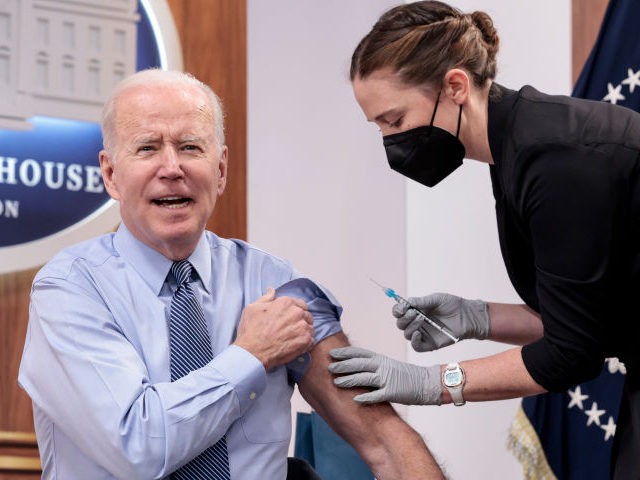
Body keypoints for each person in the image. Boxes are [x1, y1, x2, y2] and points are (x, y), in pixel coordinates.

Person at [17, 68, 445, 479]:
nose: (172, 168)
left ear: (220, 170)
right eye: (147, 147)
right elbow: (138, 445)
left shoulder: (277, 285)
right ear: (111, 174)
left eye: (190, 147)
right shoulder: (70, 288)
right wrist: (251, 356)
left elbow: (384, 440)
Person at [326, 1, 640, 479]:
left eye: (394, 120)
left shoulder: (556, 160)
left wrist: (432, 382)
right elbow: (580, 322)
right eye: (379, 127)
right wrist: (476, 317)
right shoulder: (515, 144)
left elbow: (570, 355)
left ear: (455, 86)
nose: (390, 141)